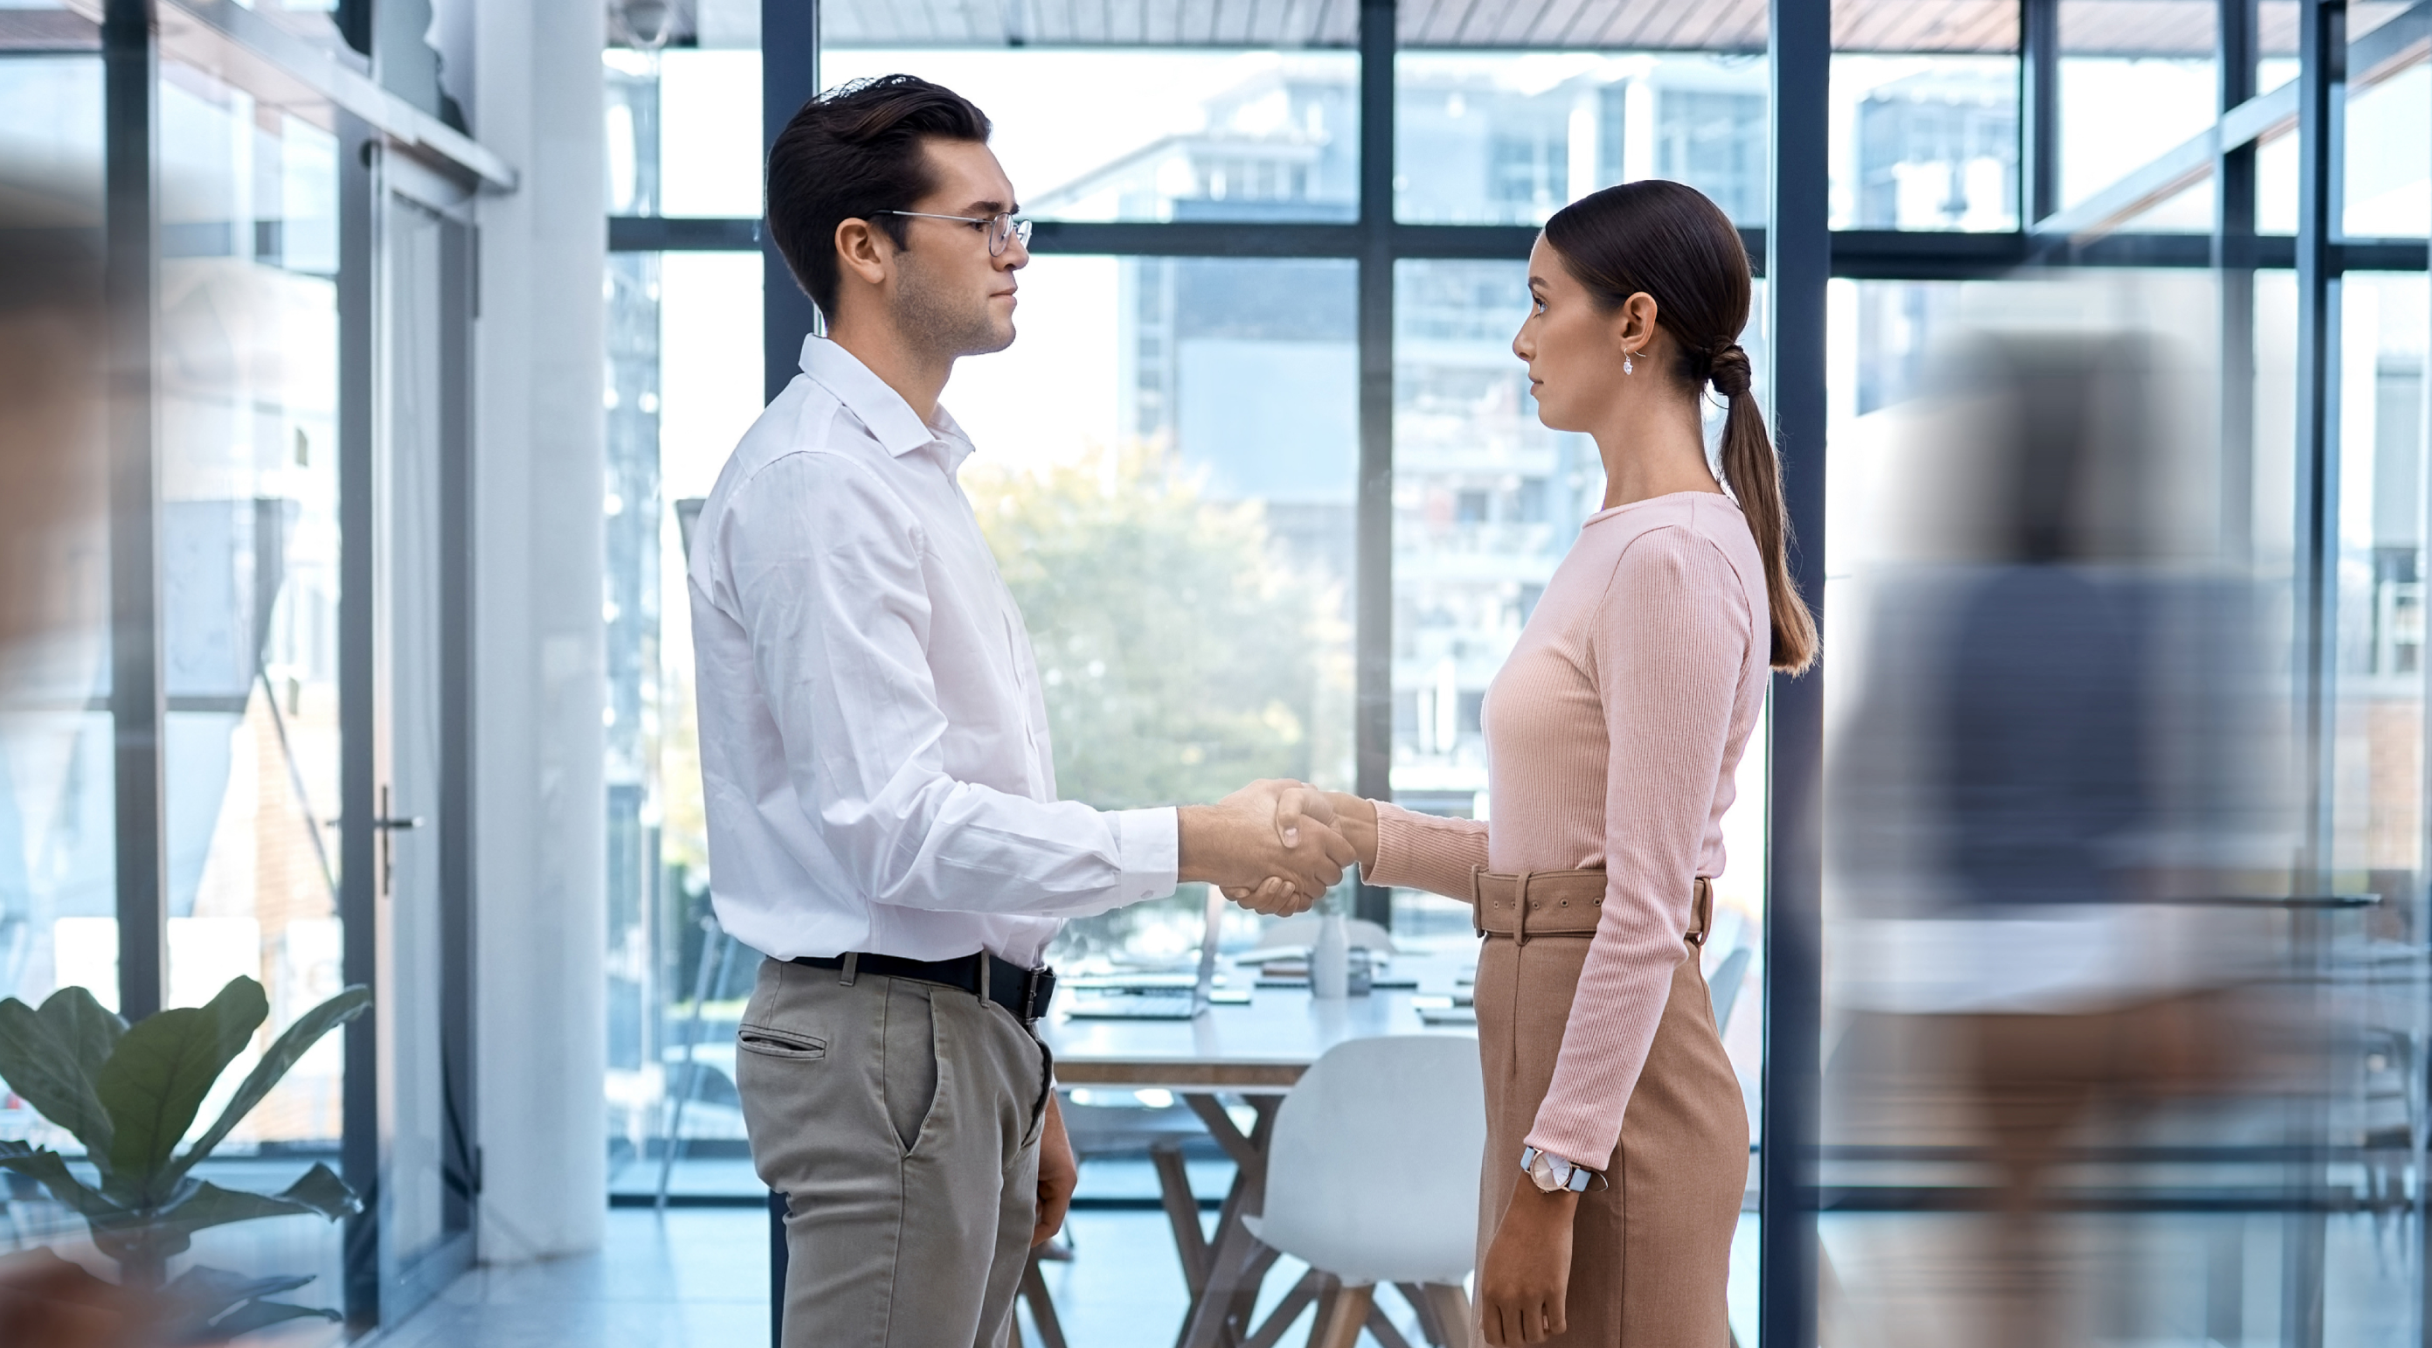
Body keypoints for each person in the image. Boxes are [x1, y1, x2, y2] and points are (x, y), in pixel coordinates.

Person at [686, 75, 1352, 1348]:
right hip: (888, 1040)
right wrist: (1193, 841)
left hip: (945, 1034)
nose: (1013, 253)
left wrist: (1014, 1054)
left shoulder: (907, 471)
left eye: (1016, 220)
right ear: (865, 248)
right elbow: (898, 830)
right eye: (981, 222)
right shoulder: (823, 483)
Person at [1238, 179, 1809, 1346]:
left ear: (1633, 324)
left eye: (1541, 302)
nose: (1520, 337)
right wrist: (1362, 831)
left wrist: (1553, 1181)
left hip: (1616, 1114)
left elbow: (1640, 906)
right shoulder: (1620, 542)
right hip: (1553, 1068)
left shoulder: (1668, 558)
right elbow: (1561, 862)